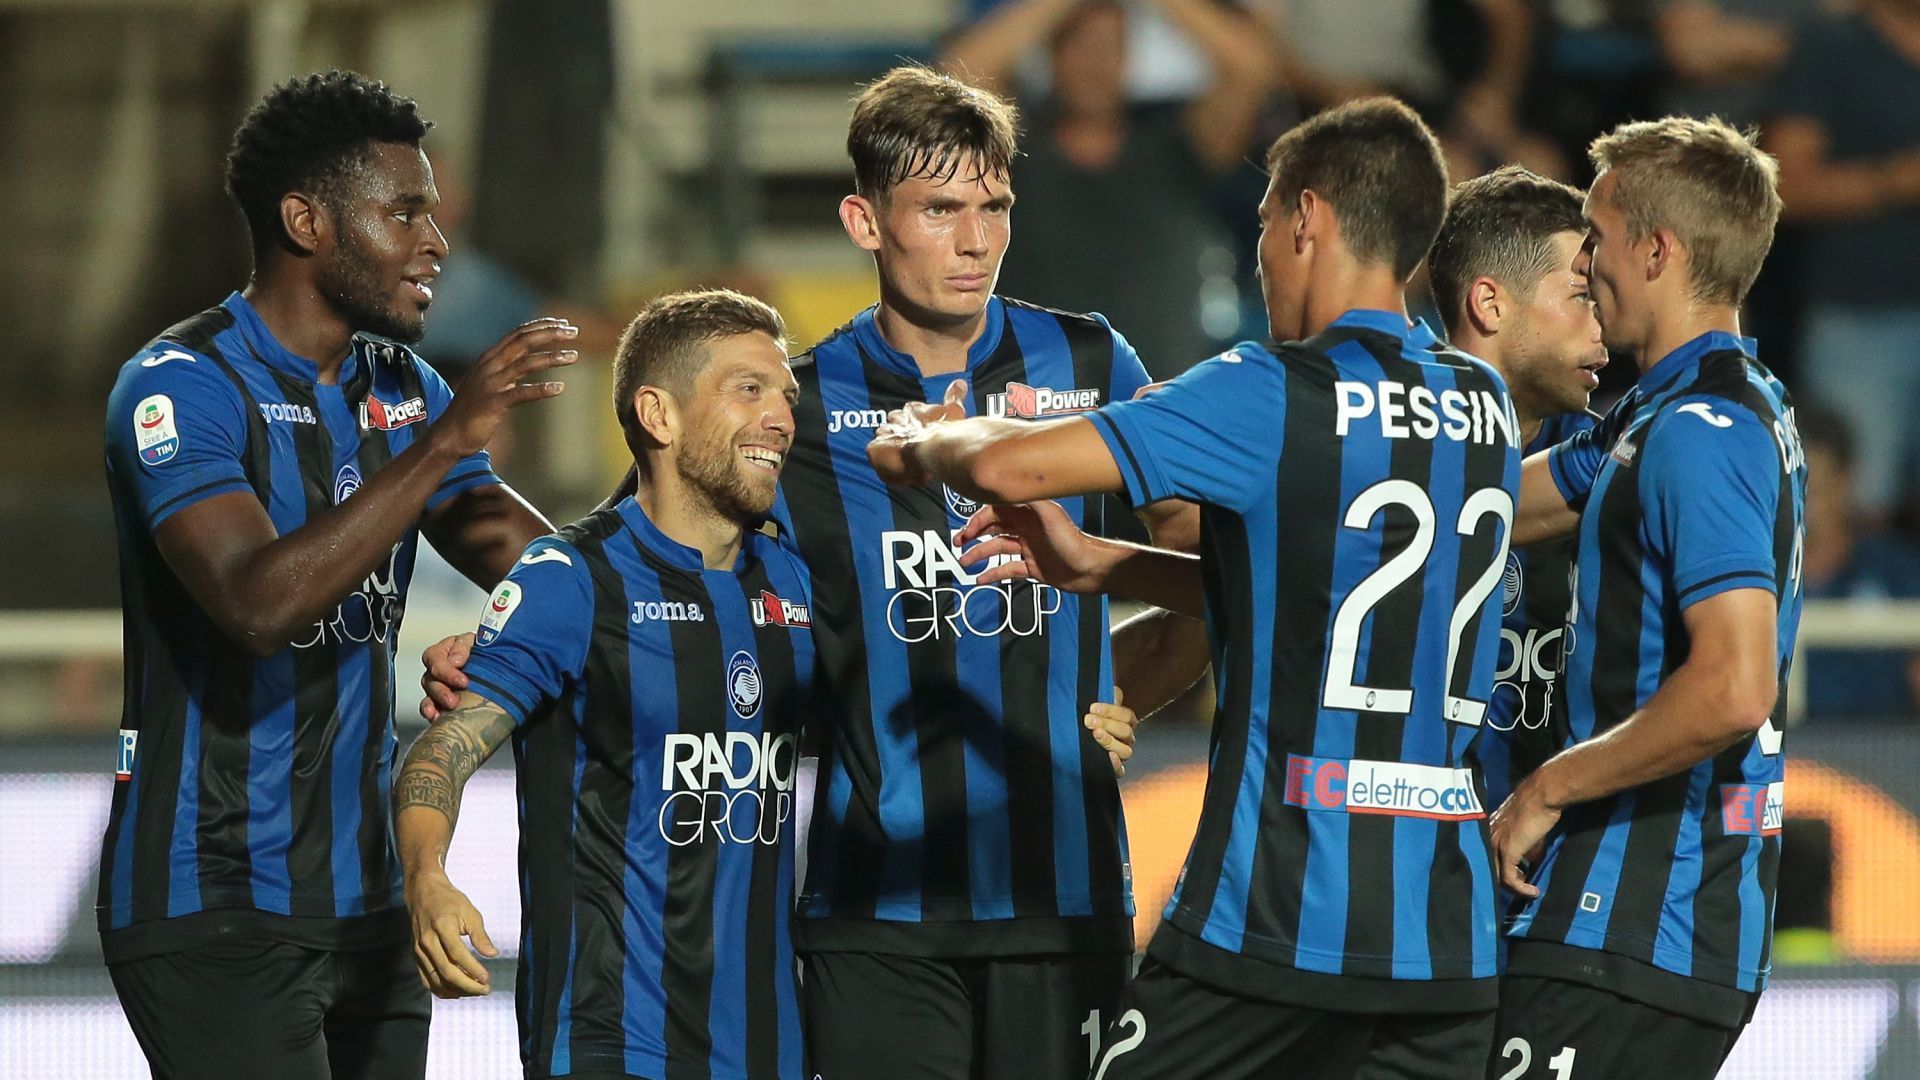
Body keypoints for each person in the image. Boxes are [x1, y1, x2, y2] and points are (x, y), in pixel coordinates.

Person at [423, 66, 1180, 1080]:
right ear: (864, 221)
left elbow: (1218, 561)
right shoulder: (804, 405)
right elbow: (652, 546)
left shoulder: (1091, 365)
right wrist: (526, 639)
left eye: (994, 206)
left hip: (1066, 895)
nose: (976, 238)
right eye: (941, 208)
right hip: (875, 913)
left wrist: (1136, 682)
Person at [869, 96, 1519, 1079]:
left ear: (1308, 217)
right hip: (1443, 934)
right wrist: (1102, 565)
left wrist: (929, 439)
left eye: (1263, 221)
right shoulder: (1486, 405)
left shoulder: (1272, 389)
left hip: (1277, 915)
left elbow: (1011, 471)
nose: (1261, 248)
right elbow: (1328, 600)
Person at [98, 71, 570, 1079]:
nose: (435, 243)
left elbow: (546, 574)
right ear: (307, 221)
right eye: (404, 213)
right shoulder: (179, 388)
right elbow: (256, 603)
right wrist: (445, 444)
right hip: (213, 897)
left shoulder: (403, 387)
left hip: (370, 901)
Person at [395, 290, 816, 1079]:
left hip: (768, 1048)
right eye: (748, 389)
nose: (781, 417)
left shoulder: (792, 580)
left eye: (786, 395)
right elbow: (440, 752)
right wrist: (428, 880)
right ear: (658, 414)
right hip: (608, 1040)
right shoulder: (572, 580)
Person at [1491, 116, 1806, 1076]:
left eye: (1595, 235)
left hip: (1640, 921)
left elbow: (1734, 687)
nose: (1584, 266)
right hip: (1634, 926)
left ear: (1658, 250)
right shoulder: (1678, 408)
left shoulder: (1701, 431)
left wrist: (1545, 788)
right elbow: (1496, 503)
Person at [941, 0, 1278, 374]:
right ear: (1051, 54)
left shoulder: (1177, 148)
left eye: (1109, 46)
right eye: (1079, 45)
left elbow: (1251, 70)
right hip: (1033, 403)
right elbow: (959, 71)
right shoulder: (1012, 153)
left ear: (1127, 58)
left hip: (1156, 400)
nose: (1094, 63)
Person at [1426, 165, 1605, 833]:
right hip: (1404, 869)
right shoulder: (1377, 452)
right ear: (1489, 303)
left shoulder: (1616, 466)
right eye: (1581, 296)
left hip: (1553, 880)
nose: (1602, 323)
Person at [1769, 0, 1920, 520]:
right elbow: (1784, 186)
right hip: (1860, 316)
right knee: (1851, 512)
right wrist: (1896, 181)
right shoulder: (1833, 46)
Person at [1792, 403, 1920, 720]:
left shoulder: (1896, 569)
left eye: (1813, 486)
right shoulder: (1750, 578)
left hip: (1881, 758)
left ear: (1847, 478)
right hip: (1788, 761)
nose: (1800, 502)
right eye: (1787, 486)